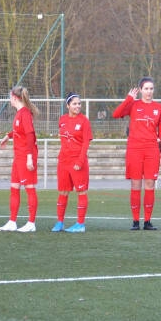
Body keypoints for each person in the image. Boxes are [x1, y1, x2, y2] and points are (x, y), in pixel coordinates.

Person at [112, 77, 161, 231]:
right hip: (134, 150)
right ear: (141, 90)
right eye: (146, 89)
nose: (149, 91)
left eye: (151, 88)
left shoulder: (159, 107)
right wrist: (129, 98)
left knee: (150, 184)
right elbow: (116, 114)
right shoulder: (133, 104)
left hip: (152, 150)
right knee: (135, 184)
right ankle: (135, 221)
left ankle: (147, 221)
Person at [0, 86, 39, 233]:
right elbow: (19, 130)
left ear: (15, 98)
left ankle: (31, 223)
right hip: (18, 156)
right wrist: (8, 136)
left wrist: (29, 157)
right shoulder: (20, 113)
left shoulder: (25, 113)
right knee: (14, 188)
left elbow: (30, 135)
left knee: (29, 188)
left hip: (26, 156)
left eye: (10, 97)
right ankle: (12, 221)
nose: (9, 100)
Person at [52, 92, 93, 233]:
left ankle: (80, 224)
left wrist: (80, 161)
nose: (78, 106)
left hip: (78, 162)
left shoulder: (84, 121)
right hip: (63, 162)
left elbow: (86, 143)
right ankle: (59, 222)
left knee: (81, 192)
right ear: (68, 105)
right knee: (63, 192)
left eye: (79, 103)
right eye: (74, 103)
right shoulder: (62, 119)